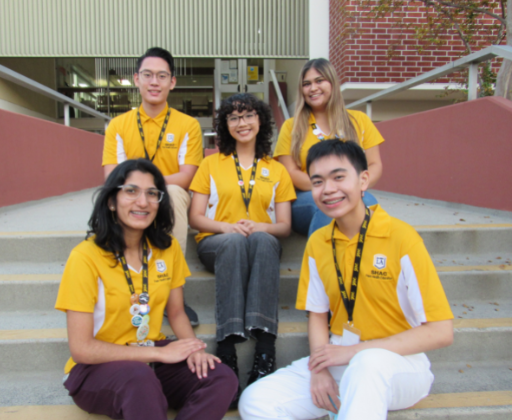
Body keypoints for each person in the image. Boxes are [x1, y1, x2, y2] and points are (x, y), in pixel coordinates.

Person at [239, 140, 454, 420]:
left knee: (368, 363)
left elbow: (441, 332)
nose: (328, 190)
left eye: (339, 177)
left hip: (399, 363)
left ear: (363, 179)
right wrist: (319, 369)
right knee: (255, 401)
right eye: (317, 182)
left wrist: (355, 351)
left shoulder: (402, 239)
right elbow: (317, 315)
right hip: (340, 355)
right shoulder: (318, 241)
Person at [56, 159, 238, 420]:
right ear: (111, 200)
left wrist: (193, 348)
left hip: (150, 357)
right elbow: (82, 348)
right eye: (131, 191)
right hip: (98, 367)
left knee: (220, 377)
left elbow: (176, 313)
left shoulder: (168, 248)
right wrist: (158, 353)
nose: (142, 202)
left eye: (152, 193)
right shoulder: (85, 257)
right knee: (138, 378)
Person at [188, 93, 296, 408]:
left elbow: (285, 226)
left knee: (263, 240)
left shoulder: (276, 169)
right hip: (217, 244)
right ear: (225, 125)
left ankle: (265, 353)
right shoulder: (211, 164)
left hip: (259, 245)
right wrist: (227, 227)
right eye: (233, 118)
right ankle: (227, 351)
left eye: (248, 115)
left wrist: (260, 227)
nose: (242, 123)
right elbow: (196, 219)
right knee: (236, 242)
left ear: (260, 120)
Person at [102, 47, 201, 325]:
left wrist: (146, 187)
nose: (154, 82)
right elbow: (112, 177)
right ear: (136, 79)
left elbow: (187, 176)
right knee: (117, 194)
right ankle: (126, 290)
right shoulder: (118, 125)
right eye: (147, 75)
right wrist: (140, 190)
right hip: (129, 195)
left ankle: (172, 297)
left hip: (170, 196)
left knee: (173, 192)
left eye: (161, 76)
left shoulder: (188, 125)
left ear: (172, 82)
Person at [274, 58, 385, 237]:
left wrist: (351, 188)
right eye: (306, 84)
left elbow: (374, 165)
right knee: (329, 203)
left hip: (352, 192)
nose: (313, 88)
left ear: (332, 83)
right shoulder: (291, 126)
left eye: (319, 81)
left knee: (370, 203)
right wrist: (330, 189)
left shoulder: (359, 120)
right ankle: (322, 262)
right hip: (307, 197)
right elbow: (290, 172)